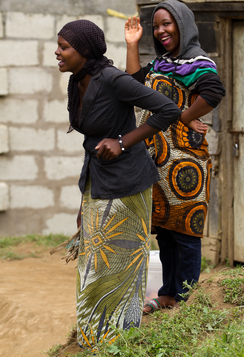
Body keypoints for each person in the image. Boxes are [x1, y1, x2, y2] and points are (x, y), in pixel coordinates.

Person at [55, 19, 181, 351]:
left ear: (83, 51)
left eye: (64, 47)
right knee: (93, 261)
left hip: (127, 182)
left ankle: (119, 338)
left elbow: (167, 109)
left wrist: (123, 142)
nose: (57, 52)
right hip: (98, 178)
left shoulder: (113, 80)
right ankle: (93, 337)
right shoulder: (78, 81)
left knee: (118, 264)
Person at [125, 0, 226, 313]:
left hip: (186, 161)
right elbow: (134, 84)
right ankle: (169, 294)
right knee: (166, 231)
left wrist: (183, 116)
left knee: (185, 230)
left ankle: (186, 298)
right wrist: (132, 44)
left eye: (166, 23)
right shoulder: (162, 63)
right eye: (156, 26)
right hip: (159, 160)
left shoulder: (197, 62)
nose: (160, 31)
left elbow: (213, 92)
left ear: (182, 24)